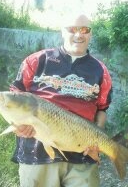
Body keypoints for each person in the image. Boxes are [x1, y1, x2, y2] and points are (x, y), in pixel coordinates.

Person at [9, 13, 113, 187]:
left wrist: (96, 138)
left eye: (85, 30)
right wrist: (18, 126)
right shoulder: (36, 60)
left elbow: (102, 109)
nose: (79, 35)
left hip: (82, 157)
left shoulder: (100, 70)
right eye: (72, 29)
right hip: (37, 153)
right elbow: (13, 99)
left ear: (91, 34)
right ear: (62, 32)